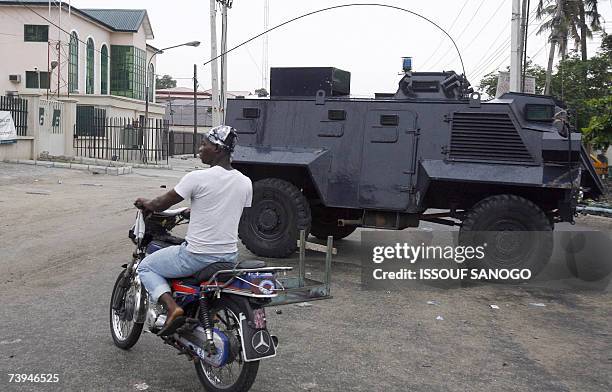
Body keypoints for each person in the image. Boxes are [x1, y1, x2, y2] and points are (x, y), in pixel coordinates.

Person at [134, 125, 252, 336]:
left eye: (204, 144)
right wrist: (195, 210)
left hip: (197, 256)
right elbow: (227, 209)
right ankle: (202, 313)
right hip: (228, 256)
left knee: (145, 267)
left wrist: (147, 203)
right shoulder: (245, 182)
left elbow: (162, 203)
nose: (200, 148)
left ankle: (173, 309)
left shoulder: (197, 178)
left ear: (217, 148)